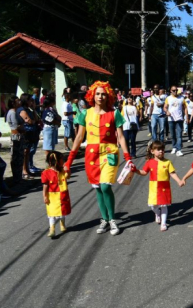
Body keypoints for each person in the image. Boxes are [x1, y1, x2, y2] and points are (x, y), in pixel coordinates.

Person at [64, 80, 135, 236]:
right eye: (98, 94)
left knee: (105, 186)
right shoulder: (85, 113)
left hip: (110, 153)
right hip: (91, 155)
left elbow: (121, 137)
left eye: (104, 94)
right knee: (97, 188)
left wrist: (128, 158)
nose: (101, 96)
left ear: (108, 95)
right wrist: (68, 162)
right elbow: (78, 138)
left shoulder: (114, 113)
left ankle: (112, 219)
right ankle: (104, 219)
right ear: (92, 95)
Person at [134, 141, 182, 232]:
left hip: (164, 187)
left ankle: (163, 223)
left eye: (162, 150)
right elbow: (144, 172)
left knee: (164, 206)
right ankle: (157, 213)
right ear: (152, 151)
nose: (161, 151)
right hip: (153, 188)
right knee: (153, 206)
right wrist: (135, 170)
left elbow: (172, 173)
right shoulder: (149, 162)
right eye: (158, 150)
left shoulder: (168, 162)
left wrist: (179, 181)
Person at [41, 151, 71, 238]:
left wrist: (67, 171)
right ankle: (52, 229)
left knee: (62, 212)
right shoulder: (46, 173)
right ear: (57, 161)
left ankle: (62, 224)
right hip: (52, 196)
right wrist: (45, 196)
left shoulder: (62, 171)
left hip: (62, 194)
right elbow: (45, 186)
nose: (63, 161)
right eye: (62, 159)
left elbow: (68, 176)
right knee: (52, 213)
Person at [164, 85, 187, 156]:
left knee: (179, 135)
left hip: (179, 118)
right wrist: (166, 111)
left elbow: (185, 108)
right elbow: (165, 107)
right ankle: (174, 147)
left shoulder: (181, 98)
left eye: (176, 90)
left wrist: (186, 117)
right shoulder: (168, 98)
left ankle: (179, 149)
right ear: (170, 91)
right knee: (173, 135)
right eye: (173, 90)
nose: (175, 91)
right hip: (171, 119)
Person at [41, 96, 61, 162]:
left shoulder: (52, 110)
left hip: (53, 128)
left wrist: (58, 121)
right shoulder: (47, 110)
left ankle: (51, 160)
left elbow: (58, 116)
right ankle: (48, 161)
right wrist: (57, 122)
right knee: (48, 146)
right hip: (48, 129)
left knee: (52, 146)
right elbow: (50, 120)